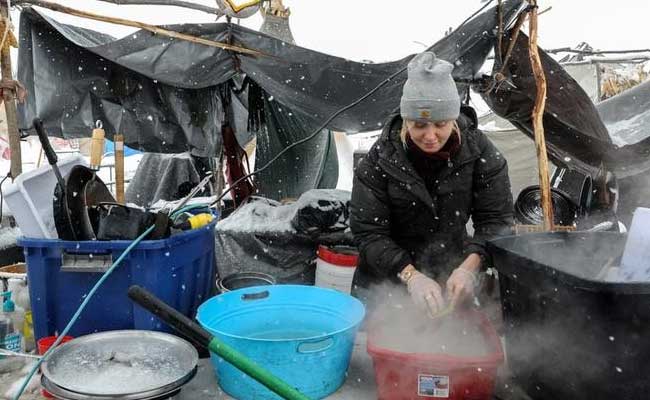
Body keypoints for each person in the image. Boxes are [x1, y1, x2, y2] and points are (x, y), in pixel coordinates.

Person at [350, 51, 514, 316]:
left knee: (452, 348)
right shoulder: (379, 160)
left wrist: (468, 269)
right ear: (406, 120)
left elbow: (497, 222)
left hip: (451, 272)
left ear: (453, 117)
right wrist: (411, 276)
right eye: (418, 125)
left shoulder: (481, 153)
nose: (430, 136)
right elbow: (368, 233)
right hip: (385, 279)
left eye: (440, 124)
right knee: (386, 346)